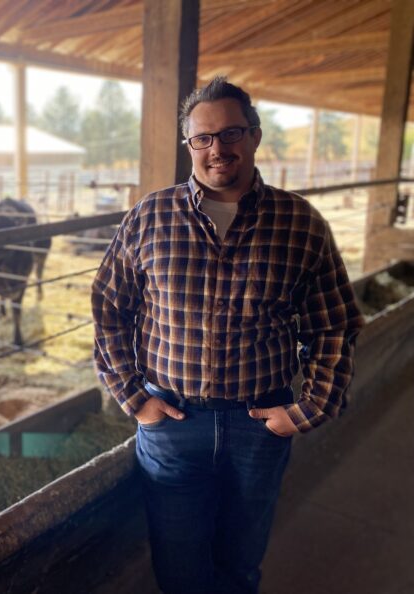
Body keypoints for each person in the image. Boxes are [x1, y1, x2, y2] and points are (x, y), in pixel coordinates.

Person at [91, 76, 364, 594]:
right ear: (189, 145)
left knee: (240, 563)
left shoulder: (299, 222)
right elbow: (108, 306)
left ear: (255, 135)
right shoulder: (150, 216)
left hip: (259, 424)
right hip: (172, 421)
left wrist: (307, 409)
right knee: (177, 568)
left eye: (231, 133)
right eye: (203, 138)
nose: (217, 149)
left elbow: (334, 324)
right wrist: (132, 396)